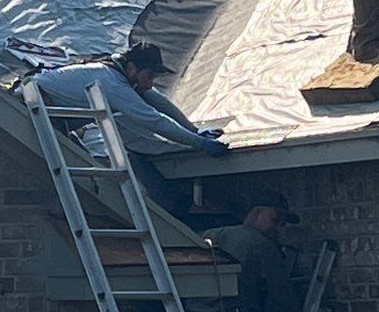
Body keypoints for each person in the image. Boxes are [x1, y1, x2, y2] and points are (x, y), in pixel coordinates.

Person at [27, 41, 229, 218]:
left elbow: (156, 100)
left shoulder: (118, 74)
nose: (150, 83)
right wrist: (199, 143)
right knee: (101, 171)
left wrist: (192, 130)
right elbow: (153, 121)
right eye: (149, 76)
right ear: (132, 67)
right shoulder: (112, 83)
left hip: (53, 116)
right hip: (30, 108)